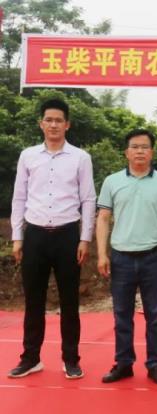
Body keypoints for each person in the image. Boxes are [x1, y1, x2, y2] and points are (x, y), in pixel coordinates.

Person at [8, 99, 96, 379]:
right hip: (34, 235)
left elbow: (88, 199)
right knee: (33, 300)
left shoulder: (80, 157)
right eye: (49, 120)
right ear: (41, 124)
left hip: (67, 235)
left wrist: (85, 238)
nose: (54, 124)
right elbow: (19, 197)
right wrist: (17, 237)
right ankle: (30, 358)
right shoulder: (28, 156)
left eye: (59, 120)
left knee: (69, 301)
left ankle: (71, 359)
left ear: (67, 124)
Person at [96, 129, 157, 385]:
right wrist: (102, 254)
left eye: (145, 147)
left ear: (152, 152)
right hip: (120, 257)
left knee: (155, 315)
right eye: (135, 146)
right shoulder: (112, 181)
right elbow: (103, 218)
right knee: (122, 314)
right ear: (126, 152)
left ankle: (155, 364)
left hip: (153, 257)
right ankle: (123, 363)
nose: (140, 151)